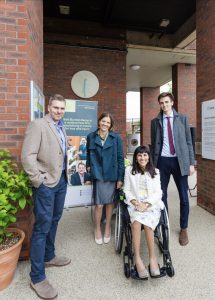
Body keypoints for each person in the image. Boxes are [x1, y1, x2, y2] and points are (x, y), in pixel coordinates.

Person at [21, 94, 71, 300]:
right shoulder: (38, 125)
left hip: (60, 182)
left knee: (55, 219)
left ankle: (49, 256)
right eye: (56, 107)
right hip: (45, 184)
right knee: (42, 226)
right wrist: (38, 179)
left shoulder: (60, 126)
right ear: (49, 107)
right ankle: (37, 277)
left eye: (62, 108)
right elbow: (27, 155)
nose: (59, 111)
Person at [151, 92, 195, 246]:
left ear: (172, 102)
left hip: (179, 161)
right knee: (161, 196)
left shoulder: (182, 119)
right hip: (162, 162)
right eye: (161, 103)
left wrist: (191, 163)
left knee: (183, 196)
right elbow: (154, 144)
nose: (164, 105)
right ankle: (165, 224)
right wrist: (152, 165)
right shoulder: (155, 121)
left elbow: (189, 142)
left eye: (166, 102)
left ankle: (184, 228)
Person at [124, 145, 164, 279]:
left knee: (148, 225)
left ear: (149, 157)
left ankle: (152, 259)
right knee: (135, 223)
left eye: (145, 155)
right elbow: (127, 190)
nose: (142, 157)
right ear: (135, 157)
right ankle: (137, 258)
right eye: (140, 155)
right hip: (135, 204)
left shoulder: (156, 172)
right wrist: (135, 202)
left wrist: (146, 204)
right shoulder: (129, 171)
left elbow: (159, 192)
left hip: (151, 205)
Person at [86, 112, 125, 245]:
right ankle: (97, 228)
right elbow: (88, 155)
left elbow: (120, 159)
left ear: (111, 125)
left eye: (108, 122)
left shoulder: (116, 138)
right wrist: (88, 169)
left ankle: (107, 226)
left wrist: (120, 178)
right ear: (99, 122)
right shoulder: (91, 137)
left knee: (109, 203)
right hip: (97, 174)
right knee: (99, 204)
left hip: (112, 174)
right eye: (103, 121)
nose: (105, 124)